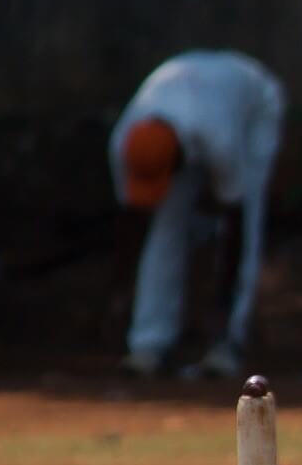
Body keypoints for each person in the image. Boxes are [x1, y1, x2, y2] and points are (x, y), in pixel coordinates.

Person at [108, 50, 284, 379]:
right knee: (164, 224)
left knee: (250, 218)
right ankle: (149, 344)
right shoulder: (125, 142)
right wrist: (121, 290)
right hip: (196, 108)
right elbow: (132, 218)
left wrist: (221, 305)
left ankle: (227, 343)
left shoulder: (221, 140)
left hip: (252, 104)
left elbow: (236, 224)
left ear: (178, 158)